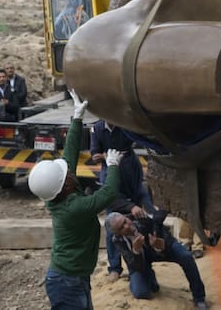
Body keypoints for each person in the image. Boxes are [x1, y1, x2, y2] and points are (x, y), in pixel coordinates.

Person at [27, 90, 122, 310]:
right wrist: (114, 165)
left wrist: (77, 118)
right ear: (64, 185)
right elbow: (107, 194)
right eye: (66, 174)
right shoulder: (73, 208)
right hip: (66, 282)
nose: (69, 171)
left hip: (72, 277)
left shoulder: (58, 193)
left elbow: (69, 153)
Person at [90, 118, 153, 283]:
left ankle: (150, 255)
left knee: (147, 211)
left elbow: (140, 137)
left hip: (130, 168)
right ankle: (114, 268)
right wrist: (106, 157)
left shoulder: (125, 123)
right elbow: (94, 154)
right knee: (113, 223)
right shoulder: (97, 128)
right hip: (111, 170)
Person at [105, 211, 208, 309]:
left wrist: (160, 245)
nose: (126, 226)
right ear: (117, 233)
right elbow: (134, 265)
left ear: (126, 217)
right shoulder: (117, 240)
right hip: (141, 261)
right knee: (141, 292)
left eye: (125, 222)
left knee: (186, 257)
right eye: (121, 228)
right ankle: (150, 279)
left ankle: (199, 298)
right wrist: (136, 251)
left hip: (160, 248)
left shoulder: (141, 219)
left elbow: (167, 238)